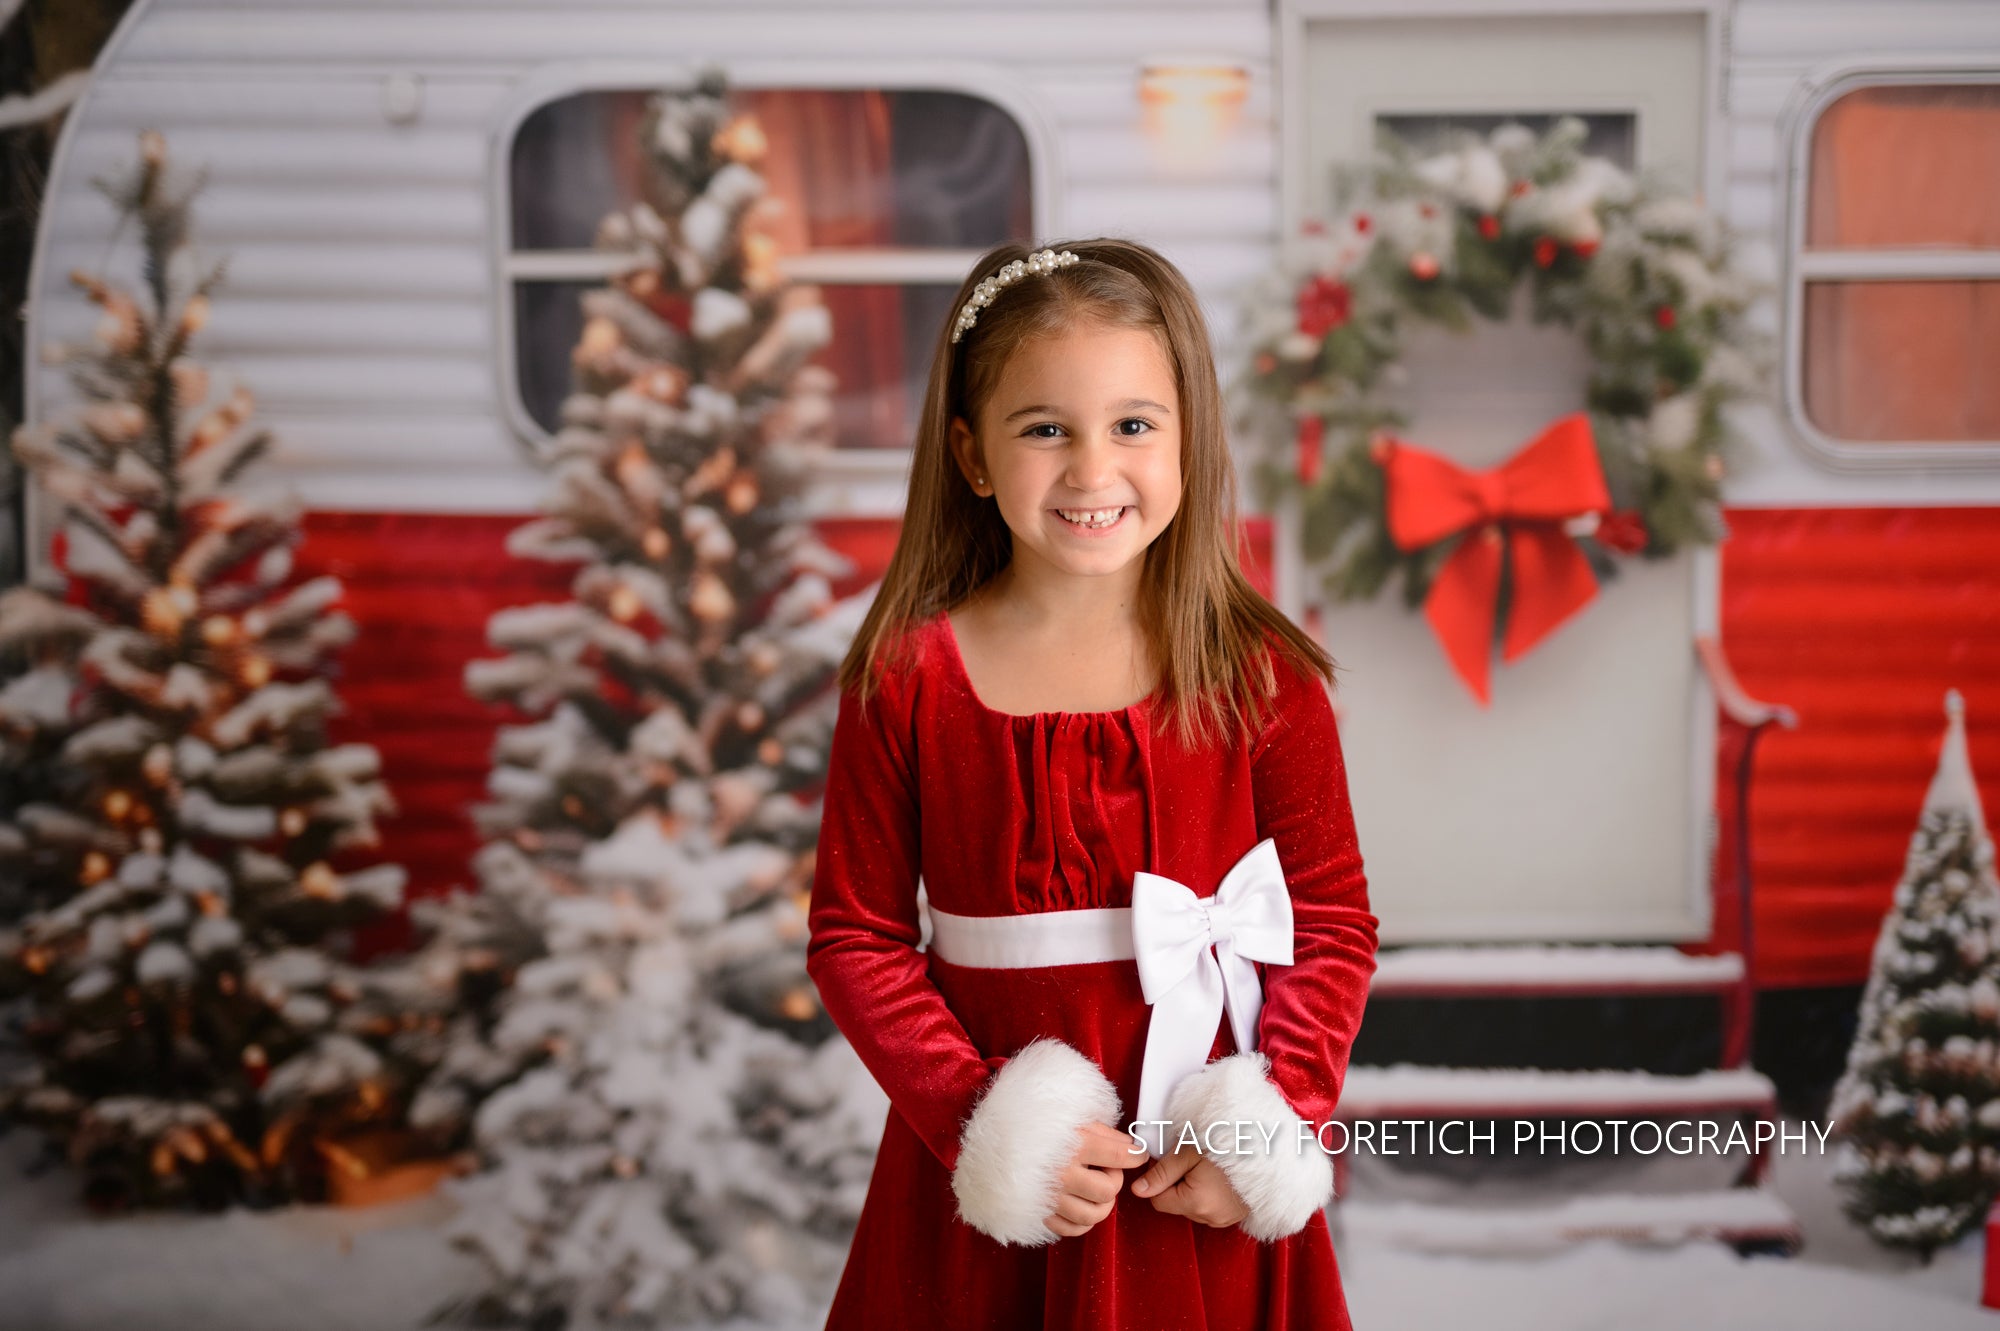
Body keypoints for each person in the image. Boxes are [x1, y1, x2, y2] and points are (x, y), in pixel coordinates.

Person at [805, 237, 1380, 1330]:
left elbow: (1330, 918)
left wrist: (1269, 1120)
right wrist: (979, 1118)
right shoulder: (907, 677)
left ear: (1186, 439)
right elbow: (854, 934)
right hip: (1006, 1205)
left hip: (1193, 1171)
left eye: (1130, 424)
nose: (1089, 468)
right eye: (1043, 429)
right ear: (972, 455)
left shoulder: (1262, 677)